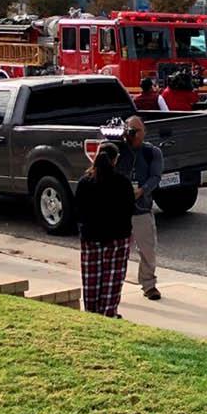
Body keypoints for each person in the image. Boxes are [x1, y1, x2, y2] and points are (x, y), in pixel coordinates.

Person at [75, 143, 136, 318]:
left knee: (91, 279)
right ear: (115, 160)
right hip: (117, 237)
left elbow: (78, 209)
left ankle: (91, 314)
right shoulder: (122, 182)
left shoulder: (85, 182)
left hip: (91, 237)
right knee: (112, 279)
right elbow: (129, 208)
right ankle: (109, 313)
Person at [117, 116, 164, 300]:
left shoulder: (152, 152)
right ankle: (114, 285)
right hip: (120, 211)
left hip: (141, 208)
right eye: (130, 130)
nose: (134, 135)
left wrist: (141, 191)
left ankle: (149, 285)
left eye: (137, 131)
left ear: (144, 132)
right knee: (118, 252)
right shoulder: (118, 150)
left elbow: (156, 177)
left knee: (147, 250)